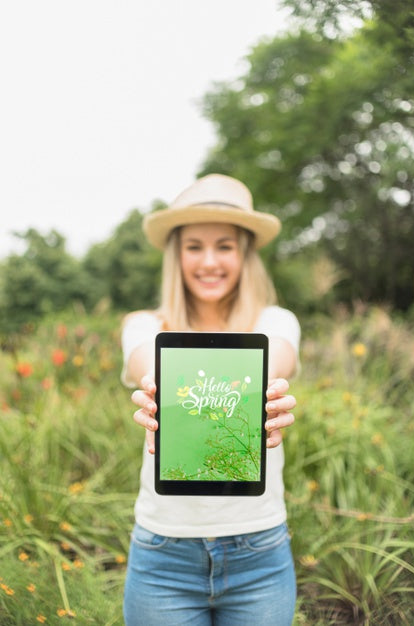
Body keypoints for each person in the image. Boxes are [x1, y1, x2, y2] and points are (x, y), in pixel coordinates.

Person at [121, 173, 301, 626]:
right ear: (176, 255)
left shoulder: (276, 322)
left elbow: (277, 357)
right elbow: (149, 364)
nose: (209, 261)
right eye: (194, 246)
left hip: (259, 551)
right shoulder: (145, 326)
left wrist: (265, 387)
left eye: (224, 245)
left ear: (245, 254)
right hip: (164, 555)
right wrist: (158, 387)